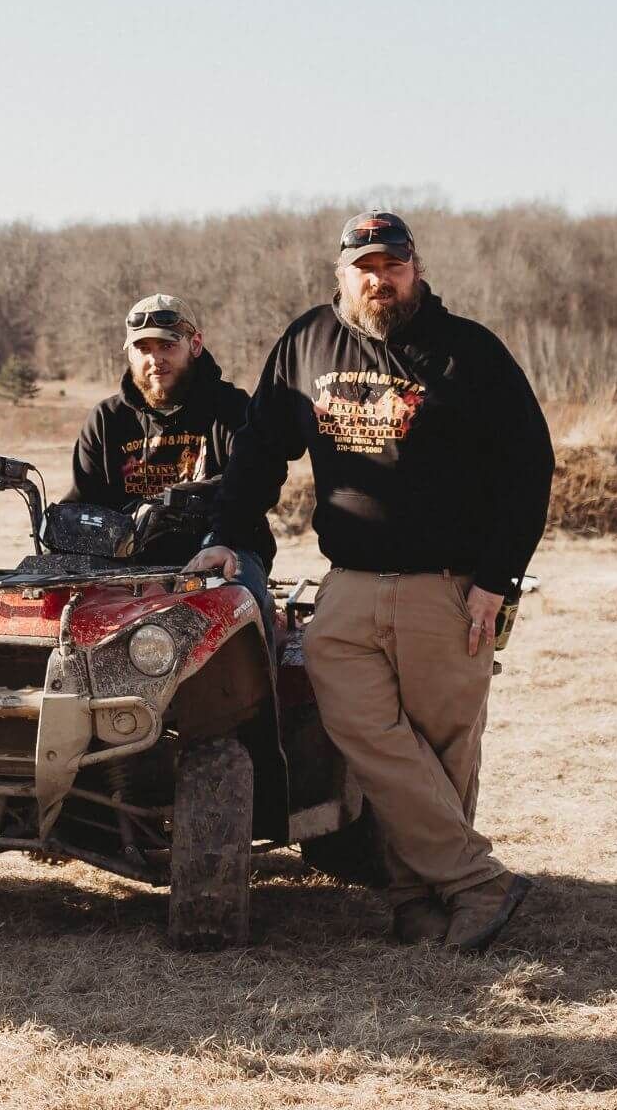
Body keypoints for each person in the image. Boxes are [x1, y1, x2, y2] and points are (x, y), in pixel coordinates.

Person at [186, 211, 554, 954]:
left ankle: (420, 903)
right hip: (348, 584)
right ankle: (477, 882)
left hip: (446, 587)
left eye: (392, 264)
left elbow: (528, 466)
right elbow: (259, 450)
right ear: (341, 275)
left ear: (416, 269)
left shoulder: (468, 352)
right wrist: (226, 533)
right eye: (364, 266)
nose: (378, 279)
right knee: (363, 732)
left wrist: (497, 579)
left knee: (443, 749)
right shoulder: (307, 344)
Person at [66, 294, 273, 628]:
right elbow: (84, 502)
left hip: (225, 548)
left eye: (167, 346)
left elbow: (251, 484)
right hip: (129, 563)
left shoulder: (231, 408)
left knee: (232, 609)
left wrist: (186, 506)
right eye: (143, 349)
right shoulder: (107, 419)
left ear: (195, 344)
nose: (155, 360)